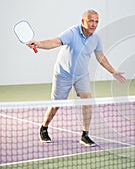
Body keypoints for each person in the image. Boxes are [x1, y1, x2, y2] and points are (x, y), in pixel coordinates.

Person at [27, 9, 126, 146]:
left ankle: (85, 135)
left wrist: (112, 71)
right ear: (83, 21)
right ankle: (44, 128)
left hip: (81, 75)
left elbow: (100, 57)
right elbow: (55, 42)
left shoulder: (96, 38)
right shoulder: (72, 33)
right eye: (91, 21)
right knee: (56, 105)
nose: (94, 24)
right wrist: (38, 44)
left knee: (88, 101)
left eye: (96, 21)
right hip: (64, 74)